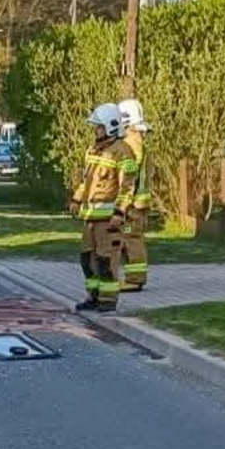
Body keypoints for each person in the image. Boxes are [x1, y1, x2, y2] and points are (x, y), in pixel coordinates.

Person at [69, 103, 138, 313]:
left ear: (111, 126)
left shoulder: (123, 152)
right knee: (87, 259)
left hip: (108, 219)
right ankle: (93, 296)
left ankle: (108, 300)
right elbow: (86, 180)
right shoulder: (93, 150)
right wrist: (77, 199)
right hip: (90, 217)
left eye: (98, 127)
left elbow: (128, 187)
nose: (95, 131)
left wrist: (120, 212)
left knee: (106, 260)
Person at [117, 99, 151, 292]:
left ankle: (134, 279)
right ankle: (133, 277)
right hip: (136, 202)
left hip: (132, 205)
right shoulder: (136, 140)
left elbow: (129, 173)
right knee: (129, 238)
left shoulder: (130, 143)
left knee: (131, 239)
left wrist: (123, 201)